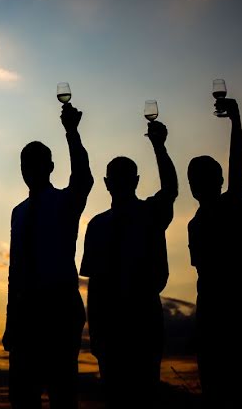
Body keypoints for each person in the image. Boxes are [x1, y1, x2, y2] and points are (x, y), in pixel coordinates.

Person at [80, 120, 177, 408]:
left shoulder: (150, 212)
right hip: (110, 328)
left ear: (134, 181)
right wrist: (95, 332)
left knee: (145, 395)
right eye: (116, 178)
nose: (120, 183)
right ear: (107, 183)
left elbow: (170, 189)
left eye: (125, 177)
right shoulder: (97, 225)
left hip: (143, 321)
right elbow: (94, 286)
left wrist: (159, 146)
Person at [2, 102, 92, 409]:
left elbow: (83, 179)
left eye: (37, 163)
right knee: (22, 397)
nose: (30, 169)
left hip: (59, 310)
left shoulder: (65, 202)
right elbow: (15, 272)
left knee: (62, 392)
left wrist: (72, 132)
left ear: (50, 167)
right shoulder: (18, 213)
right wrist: (11, 321)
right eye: (25, 164)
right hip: (26, 314)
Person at [187, 97, 242, 408]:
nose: (196, 184)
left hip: (234, 313)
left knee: (238, 391)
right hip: (211, 316)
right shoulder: (195, 223)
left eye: (200, 178)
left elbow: (237, 159)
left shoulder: (233, 205)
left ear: (217, 181)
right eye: (194, 179)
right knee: (216, 392)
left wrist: (236, 121)